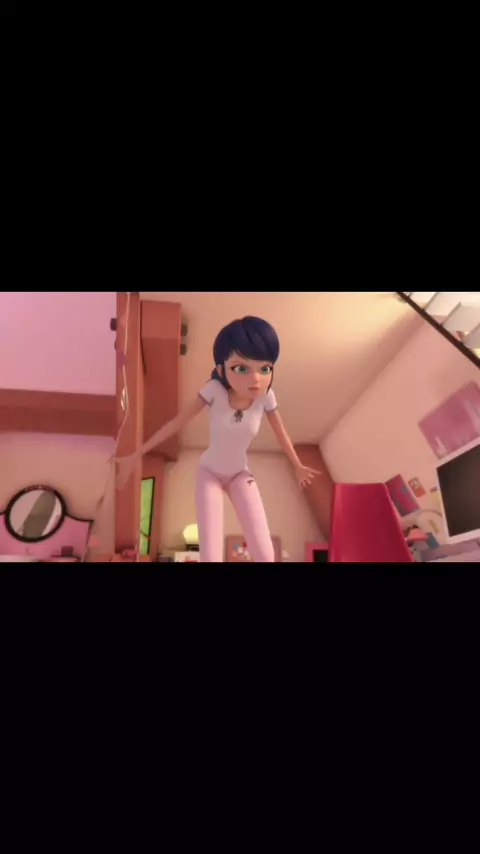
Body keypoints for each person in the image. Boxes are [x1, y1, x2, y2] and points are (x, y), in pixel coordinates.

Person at [116, 316, 321, 562]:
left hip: (239, 474)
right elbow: (176, 423)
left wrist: (297, 465)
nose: (256, 379)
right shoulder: (214, 391)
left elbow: (281, 433)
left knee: (266, 555)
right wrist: (136, 454)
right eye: (241, 368)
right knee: (211, 555)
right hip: (209, 473)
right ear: (222, 369)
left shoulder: (266, 397)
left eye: (265, 369)